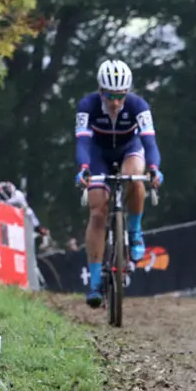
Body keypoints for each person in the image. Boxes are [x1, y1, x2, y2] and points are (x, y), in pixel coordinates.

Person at [75, 59, 163, 307]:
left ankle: (134, 233)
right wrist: (83, 169)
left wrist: (155, 168)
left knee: (136, 178)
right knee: (97, 213)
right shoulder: (87, 105)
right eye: (110, 95)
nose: (115, 102)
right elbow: (82, 143)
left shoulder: (139, 105)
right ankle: (94, 283)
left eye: (120, 95)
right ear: (100, 91)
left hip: (129, 150)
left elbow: (150, 143)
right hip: (98, 155)